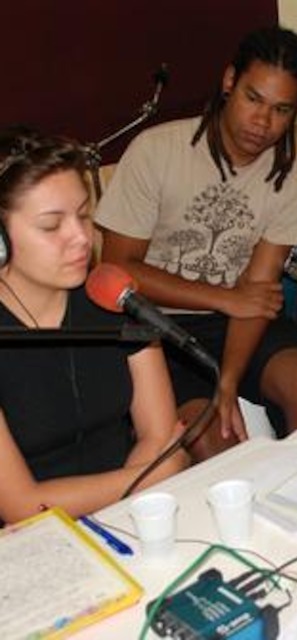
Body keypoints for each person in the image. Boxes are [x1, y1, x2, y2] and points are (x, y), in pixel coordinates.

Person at [95, 26, 297, 458]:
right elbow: (118, 272)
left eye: (281, 110)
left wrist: (228, 379)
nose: (262, 122)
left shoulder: (294, 176)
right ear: (229, 82)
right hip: (156, 325)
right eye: (253, 99)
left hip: (238, 322)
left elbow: (256, 295)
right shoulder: (156, 151)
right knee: (216, 442)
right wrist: (225, 298)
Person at [0, 128, 189, 524]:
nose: (81, 238)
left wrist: (124, 508)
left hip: (126, 519)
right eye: (52, 226)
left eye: (84, 215)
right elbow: (21, 506)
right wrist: (148, 478)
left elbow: (159, 435)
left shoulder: (113, 295)